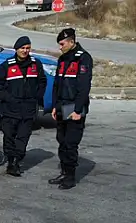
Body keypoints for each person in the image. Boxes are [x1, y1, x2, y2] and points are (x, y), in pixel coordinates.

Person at [0, 36, 47, 177]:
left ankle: (17, 160)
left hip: (28, 109)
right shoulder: (7, 65)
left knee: (23, 137)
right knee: (9, 137)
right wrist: (8, 99)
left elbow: (42, 81)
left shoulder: (36, 64)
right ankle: (11, 162)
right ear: (16, 49)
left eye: (28, 48)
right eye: (22, 48)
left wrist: (37, 96)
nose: (25, 51)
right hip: (10, 109)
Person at [49, 28, 93, 190]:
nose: (60, 47)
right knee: (61, 141)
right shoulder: (63, 59)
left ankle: (70, 176)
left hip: (74, 107)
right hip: (61, 106)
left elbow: (84, 87)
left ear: (71, 42)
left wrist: (78, 110)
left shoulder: (83, 58)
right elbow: (56, 84)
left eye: (62, 44)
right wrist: (54, 105)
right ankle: (64, 171)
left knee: (70, 143)